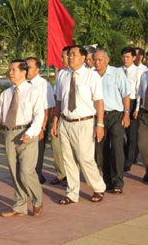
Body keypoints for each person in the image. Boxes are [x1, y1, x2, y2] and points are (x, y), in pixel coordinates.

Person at [0, 59, 44, 217]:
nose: (10, 73)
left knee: (26, 171)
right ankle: (20, 205)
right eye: (9, 70)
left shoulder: (34, 92)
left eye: (14, 70)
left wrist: (30, 133)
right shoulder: (6, 93)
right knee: (14, 171)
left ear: (24, 72)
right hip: (9, 133)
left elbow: (39, 116)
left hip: (27, 133)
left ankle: (37, 200)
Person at [51, 45, 106, 205]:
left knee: (84, 157)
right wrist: (55, 122)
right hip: (65, 121)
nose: (70, 58)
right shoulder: (63, 75)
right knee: (68, 159)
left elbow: (99, 101)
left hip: (85, 121)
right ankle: (72, 192)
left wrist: (100, 124)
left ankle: (98, 187)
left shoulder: (91, 76)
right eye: (69, 55)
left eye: (74, 55)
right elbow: (59, 101)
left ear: (83, 58)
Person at [93, 48, 131, 194]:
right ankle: (106, 180)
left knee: (116, 147)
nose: (97, 63)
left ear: (107, 60)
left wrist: (126, 114)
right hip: (98, 117)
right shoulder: (92, 75)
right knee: (101, 149)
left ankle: (117, 182)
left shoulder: (116, 73)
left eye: (100, 60)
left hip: (115, 115)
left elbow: (126, 94)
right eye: (95, 60)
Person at [26, 57, 55, 184]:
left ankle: (37, 174)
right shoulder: (22, 83)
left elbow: (48, 107)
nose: (27, 70)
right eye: (25, 67)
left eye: (30, 67)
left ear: (37, 69)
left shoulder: (44, 84)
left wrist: (43, 127)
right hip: (24, 121)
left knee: (38, 150)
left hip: (38, 122)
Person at [50, 46, 70, 186]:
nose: (61, 59)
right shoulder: (62, 74)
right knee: (56, 145)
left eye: (63, 56)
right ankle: (61, 174)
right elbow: (57, 97)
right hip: (61, 115)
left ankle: (72, 176)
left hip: (78, 118)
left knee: (73, 150)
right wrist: (54, 119)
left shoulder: (87, 74)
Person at [121, 47, 143, 171]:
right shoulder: (119, 71)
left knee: (131, 134)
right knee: (120, 134)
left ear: (134, 58)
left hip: (133, 103)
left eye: (128, 57)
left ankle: (128, 162)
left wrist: (137, 108)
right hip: (120, 103)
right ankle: (122, 157)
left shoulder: (138, 72)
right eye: (124, 57)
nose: (125, 59)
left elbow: (139, 91)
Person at [138, 70, 148, 181]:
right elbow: (140, 94)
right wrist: (138, 109)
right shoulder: (144, 75)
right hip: (144, 113)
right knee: (142, 144)